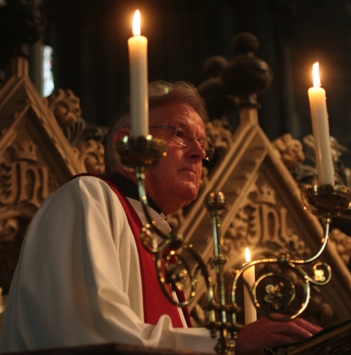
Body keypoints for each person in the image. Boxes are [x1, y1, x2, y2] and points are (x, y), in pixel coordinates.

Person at [0, 81, 321, 354]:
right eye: (180, 133)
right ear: (127, 143)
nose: (198, 154)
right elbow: (96, 334)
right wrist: (226, 343)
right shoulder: (88, 197)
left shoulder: (157, 237)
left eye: (203, 145)